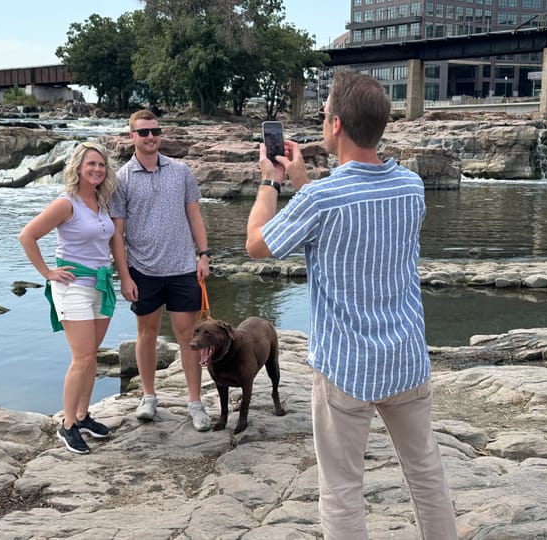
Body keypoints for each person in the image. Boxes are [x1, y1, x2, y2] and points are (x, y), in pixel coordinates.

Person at [245, 71, 458, 539]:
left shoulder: (322, 199)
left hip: (346, 368)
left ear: (336, 124)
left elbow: (257, 244)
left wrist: (270, 182)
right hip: (405, 358)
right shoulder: (411, 187)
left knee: (342, 488)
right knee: (426, 474)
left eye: (324, 116)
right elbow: (356, 222)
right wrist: (305, 183)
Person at [109, 110, 212, 432]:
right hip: (143, 270)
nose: (150, 137)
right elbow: (117, 233)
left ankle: (195, 403)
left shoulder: (181, 171)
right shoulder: (122, 178)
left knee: (188, 338)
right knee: (147, 335)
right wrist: (124, 275)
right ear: (132, 137)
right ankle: (149, 397)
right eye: (143, 132)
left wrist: (204, 255)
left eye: (154, 131)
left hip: (183, 267)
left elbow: (194, 216)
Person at [18, 141, 118, 455]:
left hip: (101, 285)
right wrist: (48, 272)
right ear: (77, 167)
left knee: (93, 354)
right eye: (91, 164)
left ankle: (83, 415)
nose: (97, 169)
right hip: (73, 286)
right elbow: (27, 235)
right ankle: (67, 426)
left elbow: (113, 243)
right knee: (83, 357)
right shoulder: (67, 203)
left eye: (101, 165)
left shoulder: (102, 204)